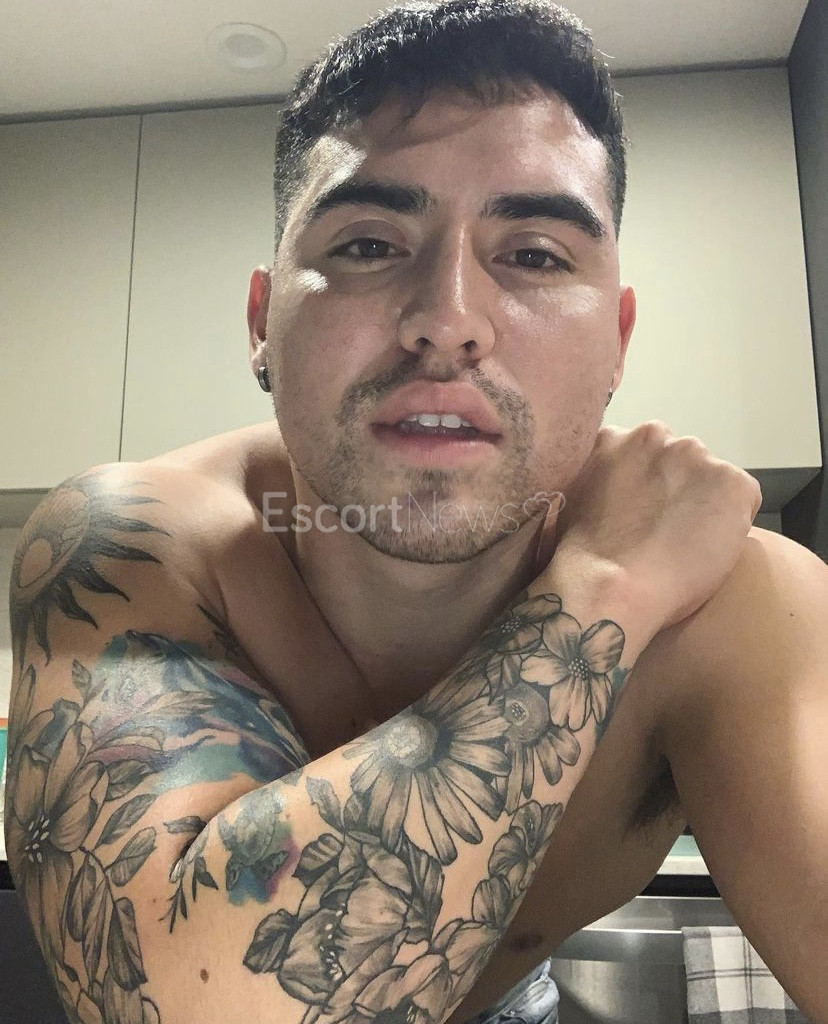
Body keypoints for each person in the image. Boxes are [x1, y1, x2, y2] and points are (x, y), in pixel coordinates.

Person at [5, 2, 827, 1022]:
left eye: (534, 255)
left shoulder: (732, 606)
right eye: (367, 243)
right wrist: (604, 590)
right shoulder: (132, 546)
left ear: (618, 341)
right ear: (262, 320)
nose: (447, 321)